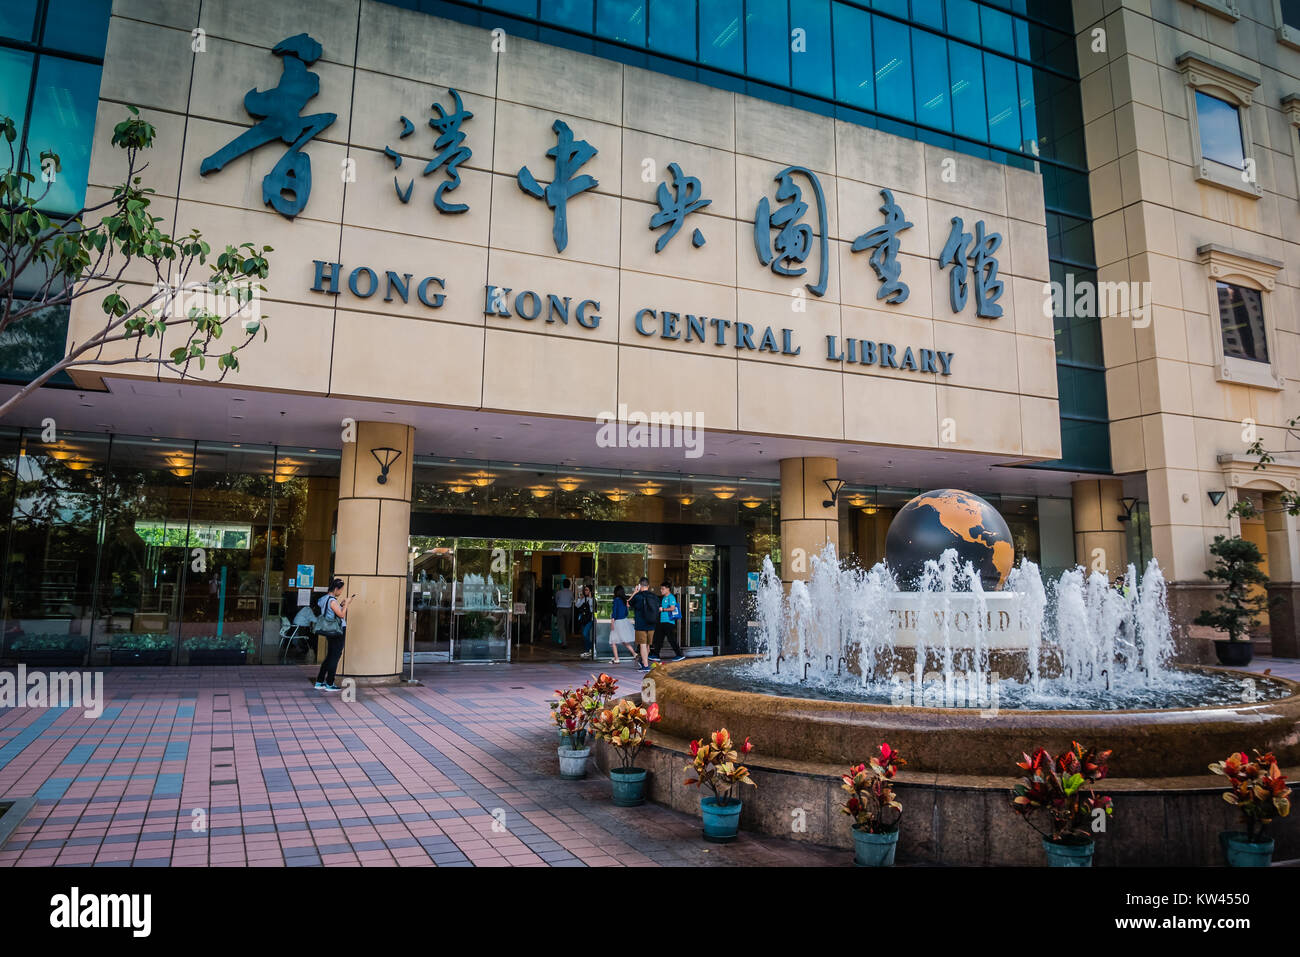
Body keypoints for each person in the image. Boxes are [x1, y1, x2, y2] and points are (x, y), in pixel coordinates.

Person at [314, 578, 353, 691]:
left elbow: (329, 612)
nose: (340, 592)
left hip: (328, 629)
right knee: (335, 656)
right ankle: (329, 683)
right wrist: (346, 604)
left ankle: (320, 681)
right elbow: (341, 615)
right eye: (340, 590)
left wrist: (340, 604)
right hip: (337, 630)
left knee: (330, 655)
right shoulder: (332, 601)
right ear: (336, 589)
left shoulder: (323, 599)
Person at [651, 579, 685, 662]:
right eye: (661, 589)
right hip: (663, 622)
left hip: (669, 622)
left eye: (662, 589)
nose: (661, 590)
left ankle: (679, 654)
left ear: (668, 589)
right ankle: (656, 654)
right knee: (659, 638)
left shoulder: (671, 597)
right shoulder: (664, 598)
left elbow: (673, 608)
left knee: (671, 639)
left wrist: (663, 609)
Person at [628, 576, 657, 671]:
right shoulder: (654, 596)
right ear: (648, 586)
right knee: (647, 645)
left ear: (640, 585)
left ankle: (645, 665)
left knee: (643, 645)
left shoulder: (638, 596)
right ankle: (643, 661)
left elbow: (628, 603)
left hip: (641, 624)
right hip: (651, 624)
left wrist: (635, 592)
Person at [609, 585, 636, 664]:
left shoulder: (616, 600)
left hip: (618, 622)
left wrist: (612, 622)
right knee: (624, 640)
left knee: (613, 642)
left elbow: (614, 612)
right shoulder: (624, 600)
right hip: (624, 621)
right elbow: (626, 613)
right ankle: (634, 653)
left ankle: (616, 658)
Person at [576, 584, 596, 659]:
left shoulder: (592, 599)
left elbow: (592, 609)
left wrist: (590, 598)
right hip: (584, 619)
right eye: (585, 590)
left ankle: (591, 649)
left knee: (585, 633)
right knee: (585, 635)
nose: (585, 591)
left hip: (590, 619)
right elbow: (577, 605)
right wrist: (579, 598)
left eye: (587, 590)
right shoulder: (584, 598)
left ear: (590, 591)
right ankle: (588, 650)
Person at [554, 578, 574, 645]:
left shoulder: (558, 592)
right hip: (568, 610)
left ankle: (564, 642)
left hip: (560, 610)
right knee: (566, 626)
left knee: (561, 626)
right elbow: (572, 600)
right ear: (569, 585)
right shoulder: (571, 592)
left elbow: (556, 601)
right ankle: (565, 640)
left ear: (563, 585)